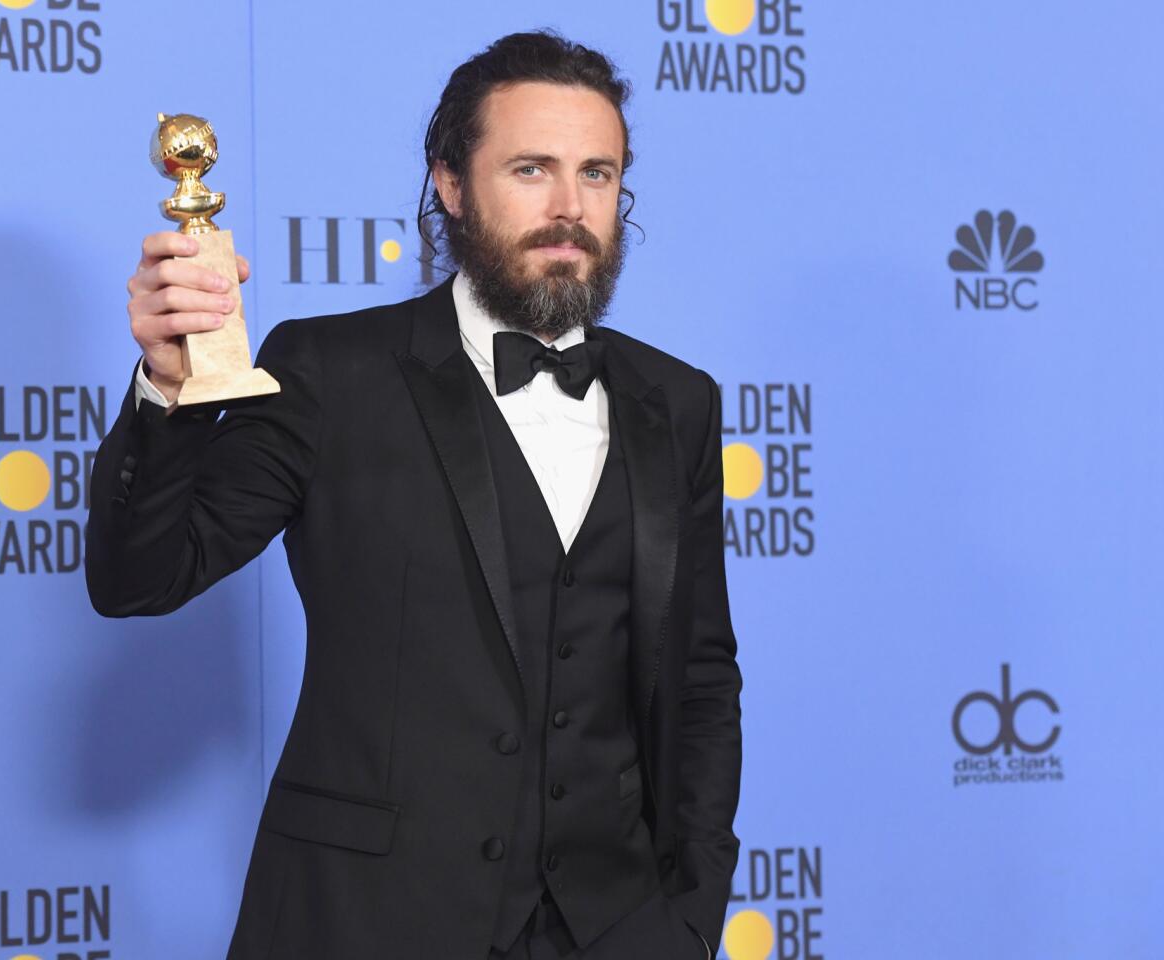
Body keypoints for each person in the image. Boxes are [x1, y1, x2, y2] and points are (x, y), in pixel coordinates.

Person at [87, 29, 742, 960]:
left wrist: (689, 915)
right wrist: (167, 389)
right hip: (362, 922)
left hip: (615, 928)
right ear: (450, 183)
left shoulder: (677, 401)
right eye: (530, 169)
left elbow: (702, 679)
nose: (569, 208)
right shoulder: (329, 370)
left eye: (597, 174)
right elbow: (141, 577)